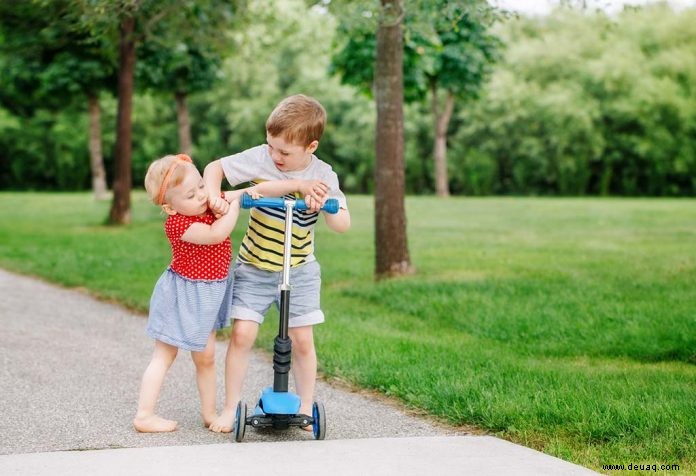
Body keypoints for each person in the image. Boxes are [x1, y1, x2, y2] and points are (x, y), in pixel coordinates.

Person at [134, 153, 327, 433]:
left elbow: (256, 190)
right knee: (164, 355)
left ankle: (209, 413)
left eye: (201, 185)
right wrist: (233, 207)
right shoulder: (178, 224)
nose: (202, 195)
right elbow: (216, 234)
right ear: (170, 207)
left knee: (206, 357)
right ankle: (144, 414)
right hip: (182, 294)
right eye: (191, 194)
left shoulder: (208, 202)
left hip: (208, 296)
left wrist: (297, 184)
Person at [203, 94, 351, 433]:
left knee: (301, 339)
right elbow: (216, 168)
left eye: (284, 152)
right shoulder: (260, 158)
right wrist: (214, 193)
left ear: (311, 146)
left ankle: (303, 407)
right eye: (272, 147)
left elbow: (343, 222)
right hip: (254, 266)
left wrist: (325, 204)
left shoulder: (323, 175)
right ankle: (229, 408)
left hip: (299, 269)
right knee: (242, 334)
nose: (275, 156)